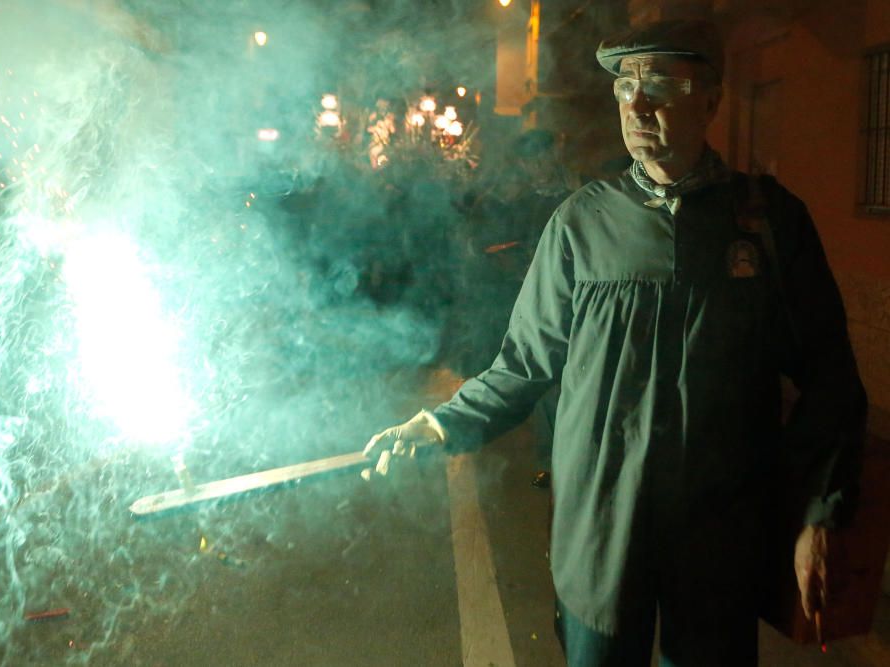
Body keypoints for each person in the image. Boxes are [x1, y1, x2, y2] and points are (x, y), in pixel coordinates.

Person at [363, 18, 866, 667]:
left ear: (711, 99)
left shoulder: (766, 224)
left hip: (719, 545)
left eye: (658, 84)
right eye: (626, 85)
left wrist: (818, 514)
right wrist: (437, 426)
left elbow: (830, 377)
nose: (636, 103)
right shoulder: (583, 223)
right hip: (601, 537)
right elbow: (522, 364)